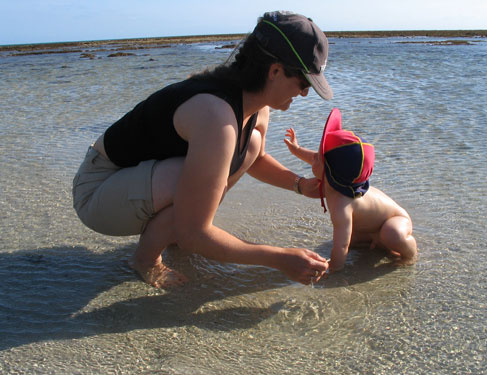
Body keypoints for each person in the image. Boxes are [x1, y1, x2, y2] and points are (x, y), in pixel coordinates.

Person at [72, 11, 333, 288]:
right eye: (304, 83)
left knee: (251, 143)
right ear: (275, 71)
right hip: (97, 191)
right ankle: (145, 260)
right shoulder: (215, 116)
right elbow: (194, 235)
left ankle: (169, 228)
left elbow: (255, 158)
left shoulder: (256, 106)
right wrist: (280, 258)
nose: (305, 93)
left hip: (136, 182)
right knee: (192, 190)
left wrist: (300, 185)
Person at [284, 108, 418, 272]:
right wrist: (296, 149)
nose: (313, 158)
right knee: (351, 236)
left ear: (328, 171)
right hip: (372, 226)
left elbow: (341, 246)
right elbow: (318, 160)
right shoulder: (334, 179)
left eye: (317, 157)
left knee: (391, 234)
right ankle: (375, 240)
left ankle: (410, 255)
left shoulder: (343, 205)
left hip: (395, 220)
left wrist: (332, 269)